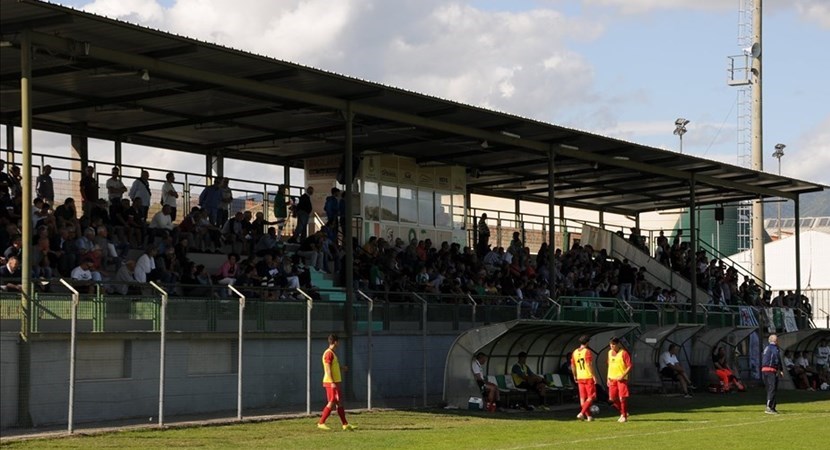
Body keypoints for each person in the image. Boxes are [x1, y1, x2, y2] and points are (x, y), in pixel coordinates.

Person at [317, 334, 356, 431]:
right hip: (331, 382)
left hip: (335, 382)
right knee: (332, 401)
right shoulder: (328, 353)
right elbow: (328, 368)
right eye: (338, 341)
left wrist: (342, 368)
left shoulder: (332, 353)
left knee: (339, 402)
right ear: (335, 342)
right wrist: (332, 382)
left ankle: (345, 424)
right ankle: (321, 422)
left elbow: (333, 367)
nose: (339, 343)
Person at [571, 335, 597, 421]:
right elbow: (589, 364)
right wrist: (593, 375)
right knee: (591, 396)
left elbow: (573, 365)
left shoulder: (574, 352)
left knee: (583, 398)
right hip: (587, 376)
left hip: (580, 377)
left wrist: (574, 375)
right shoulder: (587, 351)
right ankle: (582, 413)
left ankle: (589, 416)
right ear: (587, 342)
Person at [607, 337, 632, 423]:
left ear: (618, 344)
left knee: (622, 398)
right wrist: (608, 378)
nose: (611, 346)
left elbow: (629, 366)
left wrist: (623, 375)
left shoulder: (624, 353)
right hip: (612, 378)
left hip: (621, 379)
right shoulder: (609, 353)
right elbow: (609, 365)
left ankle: (624, 416)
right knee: (613, 398)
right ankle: (623, 412)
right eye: (610, 344)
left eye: (613, 344)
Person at [761, 334, 783, 414]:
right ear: (775, 341)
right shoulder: (774, 348)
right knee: (772, 388)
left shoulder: (766, 348)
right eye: (777, 340)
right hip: (771, 370)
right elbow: (777, 357)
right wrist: (780, 369)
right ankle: (769, 407)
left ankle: (772, 406)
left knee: (770, 389)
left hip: (764, 370)